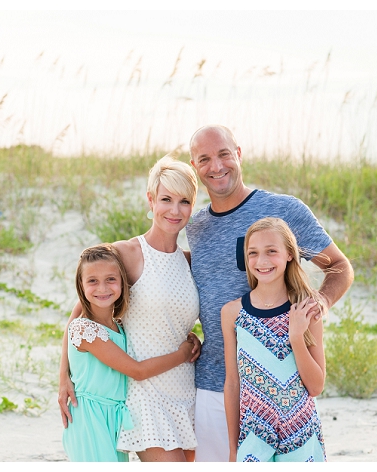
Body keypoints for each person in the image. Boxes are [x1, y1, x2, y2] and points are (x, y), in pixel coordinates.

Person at [186, 124, 353, 461]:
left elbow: (339, 266)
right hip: (211, 387)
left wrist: (318, 303)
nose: (216, 166)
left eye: (223, 154)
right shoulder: (195, 226)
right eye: (204, 159)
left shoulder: (284, 211)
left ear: (239, 154)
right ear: (194, 167)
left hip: (279, 390)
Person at [59, 155, 201, 462]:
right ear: (150, 200)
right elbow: (79, 312)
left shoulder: (189, 261)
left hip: (186, 387)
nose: (175, 210)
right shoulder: (128, 252)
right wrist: (63, 378)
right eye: (165, 199)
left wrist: (194, 342)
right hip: (144, 391)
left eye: (184, 201)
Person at [62, 243, 195, 462]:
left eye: (111, 279)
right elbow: (138, 371)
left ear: (123, 282)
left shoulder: (118, 326)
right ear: (81, 286)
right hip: (91, 419)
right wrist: (182, 355)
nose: (102, 288)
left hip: (114, 419)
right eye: (92, 281)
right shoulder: (85, 330)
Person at [222, 217, 327, 462]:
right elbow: (232, 384)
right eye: (253, 253)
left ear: (289, 254)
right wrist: (232, 448)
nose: (262, 261)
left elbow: (316, 386)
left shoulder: (306, 309)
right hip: (253, 436)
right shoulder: (232, 313)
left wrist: (296, 337)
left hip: (300, 432)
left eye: (272, 251)